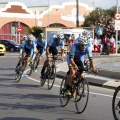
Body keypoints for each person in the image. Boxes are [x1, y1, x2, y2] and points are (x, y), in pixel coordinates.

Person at [65, 31, 97, 96]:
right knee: (72, 72)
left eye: (85, 45)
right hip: (71, 59)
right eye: (82, 45)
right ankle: (67, 89)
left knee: (82, 74)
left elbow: (91, 60)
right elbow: (71, 59)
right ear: (79, 44)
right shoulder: (74, 46)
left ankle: (77, 87)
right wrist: (74, 65)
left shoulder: (87, 48)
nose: (84, 46)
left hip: (79, 58)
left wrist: (94, 68)